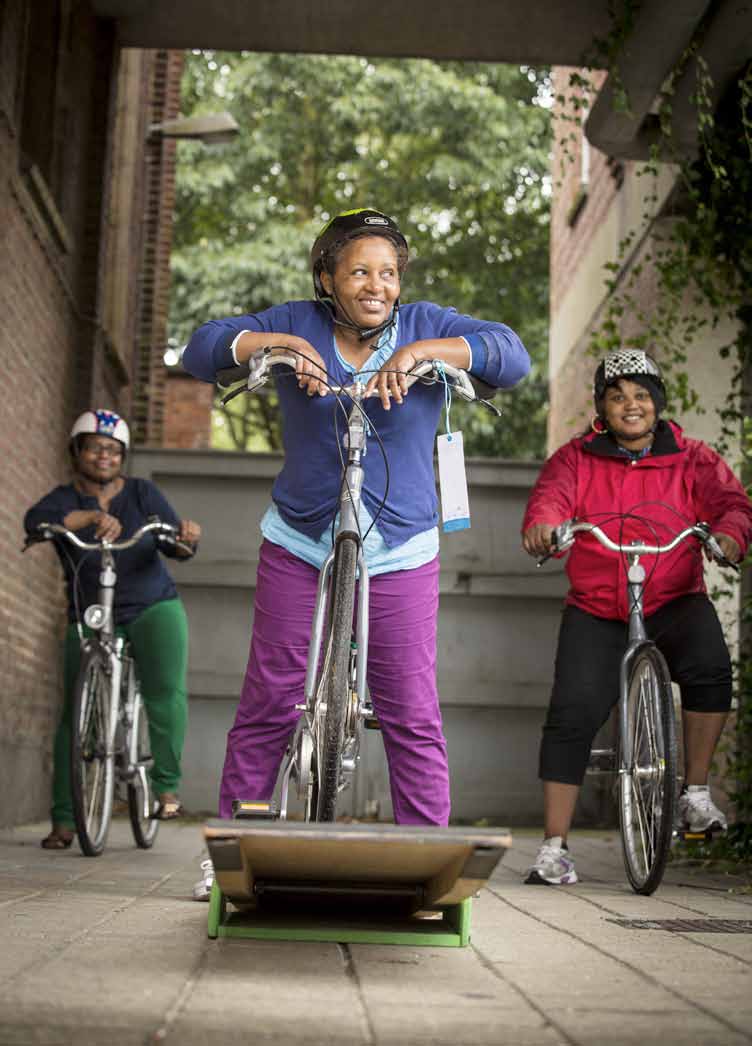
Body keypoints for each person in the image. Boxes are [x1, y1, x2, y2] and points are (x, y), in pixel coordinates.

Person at [182, 206, 531, 898]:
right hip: (300, 535)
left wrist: (424, 354)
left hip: (401, 542)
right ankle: (228, 852)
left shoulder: (427, 323)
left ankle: (430, 856)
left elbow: (511, 356)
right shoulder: (299, 322)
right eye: (361, 271)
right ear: (327, 277)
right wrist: (276, 343)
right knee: (271, 698)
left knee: (409, 705)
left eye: (389, 273)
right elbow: (201, 348)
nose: (378, 284)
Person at [521, 349, 752, 885]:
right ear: (602, 407)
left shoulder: (692, 458)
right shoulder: (576, 459)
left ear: (657, 404)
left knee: (711, 667)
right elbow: (550, 502)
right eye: (618, 396)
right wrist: (546, 526)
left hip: (673, 597)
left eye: (641, 395)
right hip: (599, 607)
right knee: (572, 712)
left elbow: (732, 505)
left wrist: (727, 538)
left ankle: (694, 793)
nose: (631, 405)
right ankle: (554, 849)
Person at [25, 409, 202, 848]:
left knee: (165, 692)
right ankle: (65, 820)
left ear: (122, 456)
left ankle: (165, 789)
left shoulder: (142, 493)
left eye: (112, 450)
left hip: (151, 605)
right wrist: (81, 521)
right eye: (94, 447)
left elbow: (175, 544)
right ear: (77, 453)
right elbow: (35, 523)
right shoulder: (64, 498)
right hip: (90, 612)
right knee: (75, 713)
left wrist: (187, 537)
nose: (103, 456)